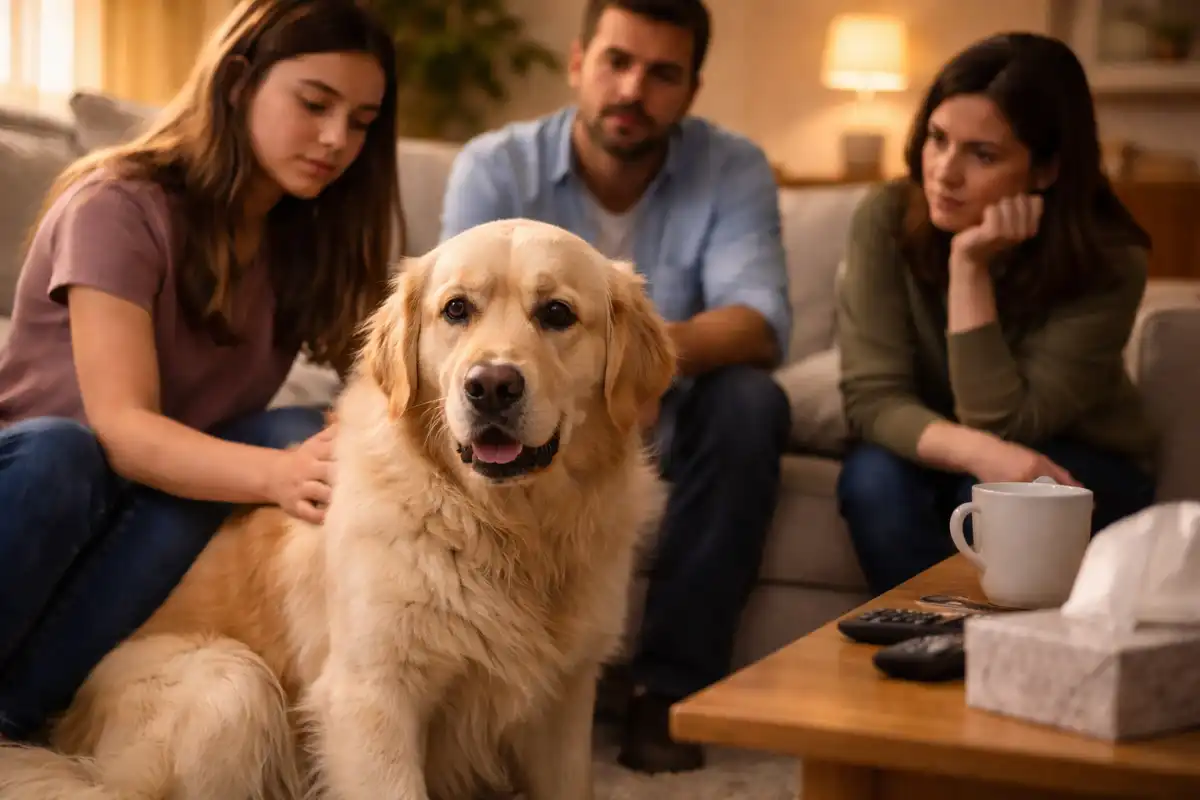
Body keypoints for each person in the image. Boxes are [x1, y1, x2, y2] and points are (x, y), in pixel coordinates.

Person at [0, 0, 401, 741]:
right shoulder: (116, 206)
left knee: (298, 429)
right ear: (240, 81)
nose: (337, 139)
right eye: (315, 104)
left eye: (362, 120)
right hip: (41, 496)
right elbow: (120, 431)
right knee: (69, 452)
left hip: (141, 511)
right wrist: (277, 475)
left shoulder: (301, 238)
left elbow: (377, 387)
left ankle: (23, 712)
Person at [439, 0, 791, 775]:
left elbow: (759, 320)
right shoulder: (496, 167)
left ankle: (666, 692)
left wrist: (640, 365)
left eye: (663, 73)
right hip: (527, 405)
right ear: (577, 64)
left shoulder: (731, 168)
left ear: (692, 89)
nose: (633, 89)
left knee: (752, 402)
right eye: (616, 63)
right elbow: (455, 322)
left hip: (670, 406)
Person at [835, 32, 1158, 597]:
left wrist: (970, 268)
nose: (944, 172)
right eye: (937, 139)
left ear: (1046, 170)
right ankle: (929, 639)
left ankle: (987, 656)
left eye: (982, 154)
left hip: (1081, 459)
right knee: (872, 479)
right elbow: (872, 398)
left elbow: (1008, 422)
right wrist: (984, 454)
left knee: (994, 501)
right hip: (947, 448)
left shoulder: (1111, 259)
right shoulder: (884, 217)